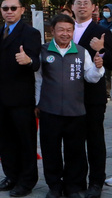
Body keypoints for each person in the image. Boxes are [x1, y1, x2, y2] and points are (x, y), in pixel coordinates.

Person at [36, 13, 104, 198]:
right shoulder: (43, 51)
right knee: (51, 151)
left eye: (68, 30)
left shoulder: (81, 52)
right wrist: (37, 103)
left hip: (76, 112)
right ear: (53, 31)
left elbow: (91, 77)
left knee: (76, 152)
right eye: (61, 30)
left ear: (73, 32)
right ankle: (55, 187)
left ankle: (73, 187)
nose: (65, 34)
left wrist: (98, 67)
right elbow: (38, 80)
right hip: (50, 111)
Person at [0, 0, 41, 197]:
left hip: (22, 99)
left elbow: (37, 62)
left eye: (13, 8)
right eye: (5, 8)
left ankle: (26, 181)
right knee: (6, 140)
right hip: (2, 98)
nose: (9, 12)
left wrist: (28, 61)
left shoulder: (30, 33)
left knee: (25, 141)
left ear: (22, 9)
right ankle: (10, 176)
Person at [70, 0, 112, 198]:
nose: (82, 6)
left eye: (86, 3)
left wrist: (102, 49)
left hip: (93, 96)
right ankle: (76, 181)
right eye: (78, 3)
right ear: (72, 7)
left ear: (94, 7)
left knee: (95, 140)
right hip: (69, 95)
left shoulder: (101, 31)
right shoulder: (65, 29)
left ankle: (96, 182)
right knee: (74, 140)